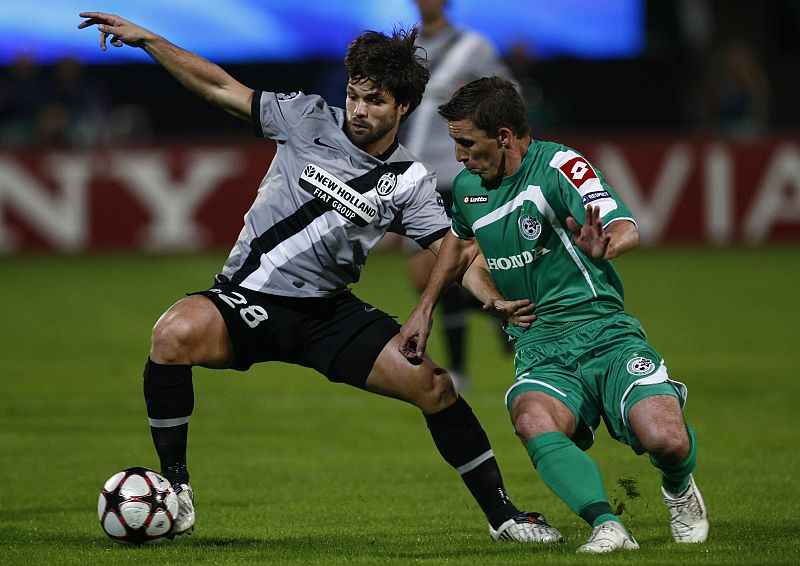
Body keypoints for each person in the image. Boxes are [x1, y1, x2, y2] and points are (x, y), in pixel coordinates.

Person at [76, 13, 563, 544]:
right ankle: (176, 488)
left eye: (374, 101)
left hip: (328, 314)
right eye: (355, 95)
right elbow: (219, 87)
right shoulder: (304, 116)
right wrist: (147, 40)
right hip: (247, 296)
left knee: (435, 387)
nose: (358, 109)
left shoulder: (409, 179)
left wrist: (492, 300)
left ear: (403, 107)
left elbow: (456, 254)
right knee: (171, 334)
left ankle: (504, 516)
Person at [398, 77, 709, 553]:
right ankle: (609, 526)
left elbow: (625, 225)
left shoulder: (561, 166)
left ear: (503, 137)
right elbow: (460, 249)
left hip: (603, 331)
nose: (457, 155)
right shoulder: (467, 188)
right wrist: (436, 307)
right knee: (531, 418)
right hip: (539, 345)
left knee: (666, 440)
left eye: (465, 143)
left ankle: (679, 487)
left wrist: (606, 245)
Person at [399, 0, 516, 389]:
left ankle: (460, 372)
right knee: (425, 277)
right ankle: (501, 313)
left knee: (447, 268)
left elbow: (508, 96)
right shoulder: (406, 52)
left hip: (457, 169)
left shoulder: (473, 47)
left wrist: (475, 98)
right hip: (414, 171)